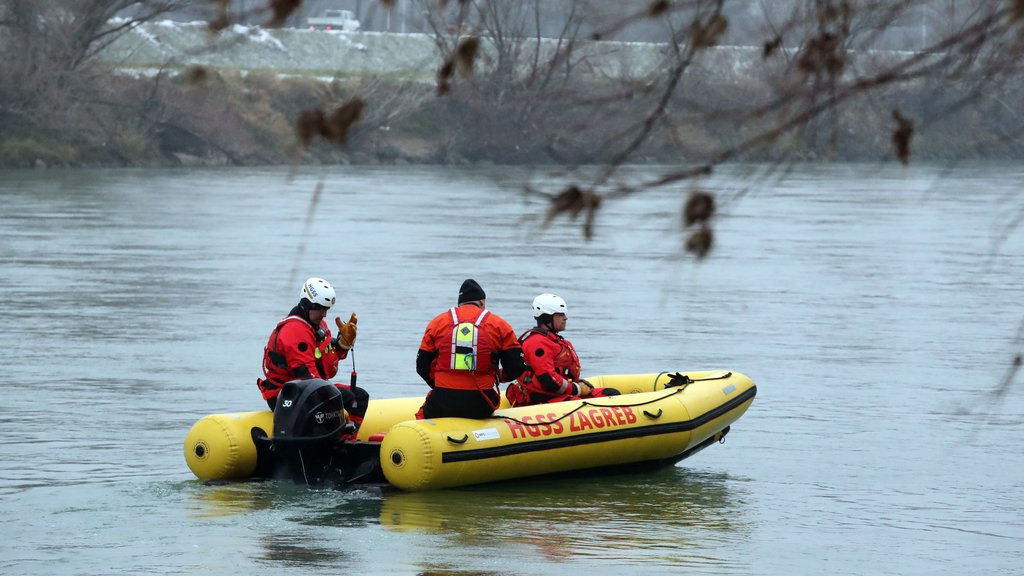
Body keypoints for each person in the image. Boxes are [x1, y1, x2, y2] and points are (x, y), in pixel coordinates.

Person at [258, 277, 368, 430]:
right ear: (307, 306)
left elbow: (326, 366)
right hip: (286, 395)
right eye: (321, 309)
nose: (324, 314)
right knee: (346, 399)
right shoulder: (294, 331)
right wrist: (334, 403)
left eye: (326, 310)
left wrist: (343, 345)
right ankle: (337, 441)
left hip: (308, 390)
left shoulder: (317, 326)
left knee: (359, 397)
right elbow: (306, 377)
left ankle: (346, 440)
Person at [415, 279, 527, 419]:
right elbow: (516, 367)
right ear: (481, 303)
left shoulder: (437, 323)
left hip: (443, 400)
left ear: (460, 304)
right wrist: (499, 377)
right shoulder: (499, 325)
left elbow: (421, 366)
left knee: (423, 414)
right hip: (481, 403)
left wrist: (439, 385)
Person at [505, 293, 619, 407]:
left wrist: (576, 386)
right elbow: (548, 380)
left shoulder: (553, 340)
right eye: (560, 315)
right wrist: (577, 389)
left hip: (558, 394)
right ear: (547, 318)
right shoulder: (537, 343)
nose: (565, 317)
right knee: (577, 405)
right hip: (543, 398)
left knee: (610, 394)